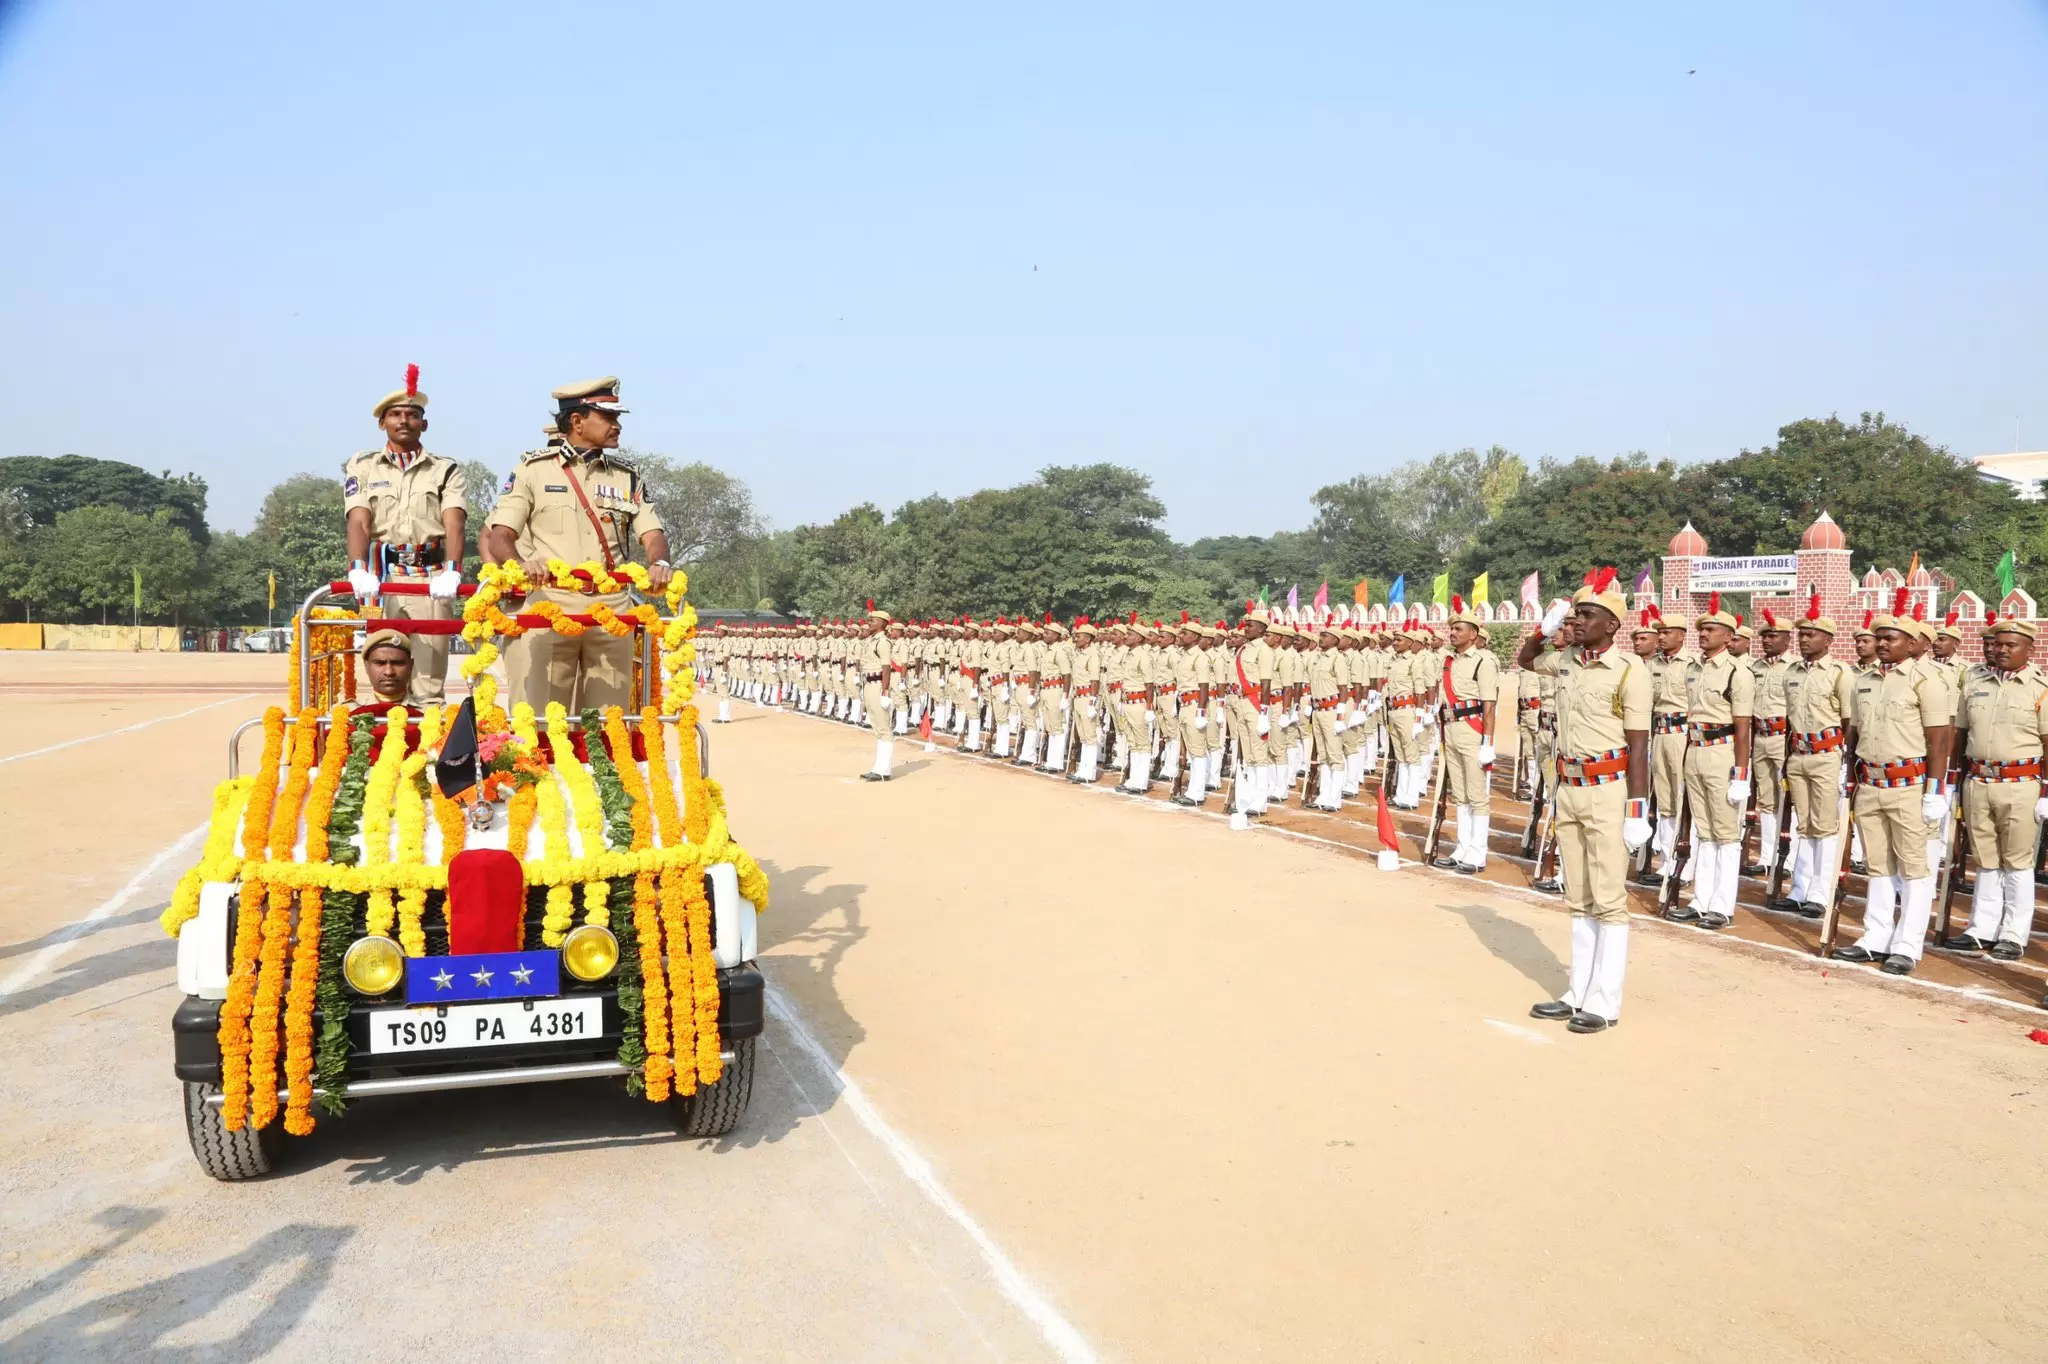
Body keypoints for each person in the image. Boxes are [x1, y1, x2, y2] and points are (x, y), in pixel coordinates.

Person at [483, 378, 673, 710]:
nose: (618, 426)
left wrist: (660, 562)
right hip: (550, 606)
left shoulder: (627, 477)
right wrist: (519, 564)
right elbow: (500, 535)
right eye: (608, 417)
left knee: (610, 723)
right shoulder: (533, 471)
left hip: (612, 610)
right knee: (540, 721)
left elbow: (652, 533)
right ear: (577, 422)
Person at [1516, 569, 1652, 1035]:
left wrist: (1638, 811)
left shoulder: (1630, 671)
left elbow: (1638, 746)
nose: (1576, 621)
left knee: (1609, 898)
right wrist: (1545, 627)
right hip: (1568, 787)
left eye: (1585, 615)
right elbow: (1527, 659)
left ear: (1612, 625)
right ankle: (1578, 989)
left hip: (1610, 790)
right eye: (1573, 614)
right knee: (1578, 895)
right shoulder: (1568, 660)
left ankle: (1605, 999)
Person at [1833, 592, 1956, 975]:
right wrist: (1847, 772)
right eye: (1879, 637)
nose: (1883, 643)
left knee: (1914, 868)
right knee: (1879, 865)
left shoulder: (1927, 681)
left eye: (1892, 638)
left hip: (1910, 785)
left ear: (1911, 643)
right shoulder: (1863, 680)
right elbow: (1854, 733)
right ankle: (1875, 936)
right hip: (1870, 783)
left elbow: (1939, 741)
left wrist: (1936, 791)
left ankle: (1907, 944)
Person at [343, 368, 468, 702]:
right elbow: (359, 520)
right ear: (382, 423)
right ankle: (385, 751)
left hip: (431, 577)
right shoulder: (363, 466)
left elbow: (455, 523)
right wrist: (357, 567)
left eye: (413, 415)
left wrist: (453, 571)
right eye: (395, 415)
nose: (404, 421)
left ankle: (428, 753)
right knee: (387, 675)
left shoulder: (445, 469)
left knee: (428, 681)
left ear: (424, 424)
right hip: (382, 578)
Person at [1939, 617, 2048, 960]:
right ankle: (1980, 928)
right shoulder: (1974, 681)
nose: (2001, 650)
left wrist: (2047, 793)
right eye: (1998, 644)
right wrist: (1952, 782)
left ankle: (2014, 933)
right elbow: (1961, 733)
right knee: (1985, 859)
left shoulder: (2040, 688)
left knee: (2017, 861)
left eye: (2010, 645)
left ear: (2029, 649)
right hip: (1978, 781)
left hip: (2020, 784)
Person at [1670, 595, 1754, 931]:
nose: (1704, 633)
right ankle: (1700, 899)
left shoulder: (1738, 672)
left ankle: (1722, 904)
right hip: (1696, 749)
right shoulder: (1693, 668)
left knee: (1726, 834)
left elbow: (1744, 726)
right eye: (1702, 628)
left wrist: (1741, 774)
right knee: (1703, 830)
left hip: (1723, 750)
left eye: (1712, 629)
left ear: (1729, 637)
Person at [1773, 592, 1856, 919]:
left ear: (1828, 640)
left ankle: (1820, 892)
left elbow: (1849, 721)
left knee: (1825, 827)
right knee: (1803, 824)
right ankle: (1799, 888)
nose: (1804, 640)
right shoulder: (1792, 672)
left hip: (1826, 755)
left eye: (1811, 635)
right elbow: (1790, 721)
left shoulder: (1839, 673)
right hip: (1798, 754)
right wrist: (1784, 761)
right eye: (1801, 634)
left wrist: (1844, 764)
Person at [1431, 598, 1500, 873]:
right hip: (1451, 729)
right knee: (1459, 793)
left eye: (1459, 629)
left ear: (1473, 633)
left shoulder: (1483, 661)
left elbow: (1489, 704)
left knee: (1476, 794)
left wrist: (1488, 742)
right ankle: (1463, 846)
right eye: (1452, 629)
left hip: (1472, 730)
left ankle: (1478, 852)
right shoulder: (1449, 661)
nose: (1453, 633)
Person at [1747, 610, 1794, 878]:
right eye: (1764, 636)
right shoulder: (1755, 668)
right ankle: (1768, 856)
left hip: (1782, 737)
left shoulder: (1793, 668)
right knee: (1766, 800)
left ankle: (1788, 858)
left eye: (1773, 636)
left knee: (1790, 799)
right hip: (1760, 737)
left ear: (1787, 640)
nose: (1766, 641)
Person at [856, 605, 895, 779]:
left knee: (884, 728)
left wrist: (885, 692)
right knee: (877, 728)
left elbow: (886, 668)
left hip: (879, 685)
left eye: (872, 620)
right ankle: (878, 767)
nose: (869, 623)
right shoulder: (871, 641)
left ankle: (884, 770)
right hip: (869, 685)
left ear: (882, 623)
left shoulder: (883, 642)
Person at [355, 628, 421, 715]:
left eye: (397, 663)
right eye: (380, 663)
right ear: (367, 666)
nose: (389, 672)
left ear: (411, 666)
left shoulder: (430, 712)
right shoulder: (349, 713)